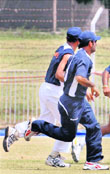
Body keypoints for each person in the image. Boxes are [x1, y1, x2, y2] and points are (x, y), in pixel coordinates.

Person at [22, 31, 109, 170]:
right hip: (71, 104)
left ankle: (92, 161)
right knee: (67, 136)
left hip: (79, 101)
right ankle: (36, 125)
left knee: (94, 126)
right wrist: (92, 86)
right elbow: (80, 78)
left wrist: (84, 91)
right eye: (95, 42)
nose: (96, 44)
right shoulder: (83, 59)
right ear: (90, 43)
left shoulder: (79, 54)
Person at [3, 27, 82, 167]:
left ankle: (16, 131)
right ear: (78, 41)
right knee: (68, 126)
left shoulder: (62, 48)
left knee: (44, 122)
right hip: (54, 91)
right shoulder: (69, 54)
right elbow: (59, 74)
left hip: (47, 88)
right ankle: (55, 156)